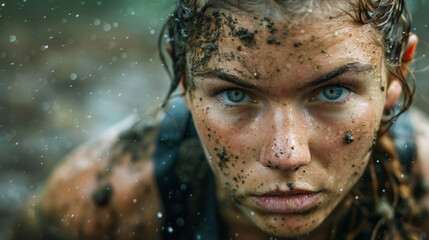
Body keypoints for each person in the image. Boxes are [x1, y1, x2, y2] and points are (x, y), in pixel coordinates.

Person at [11, 0, 429, 239]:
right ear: (184, 81)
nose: (285, 154)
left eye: (331, 91)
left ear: (397, 74)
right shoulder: (101, 203)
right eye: (235, 94)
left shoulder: (423, 193)